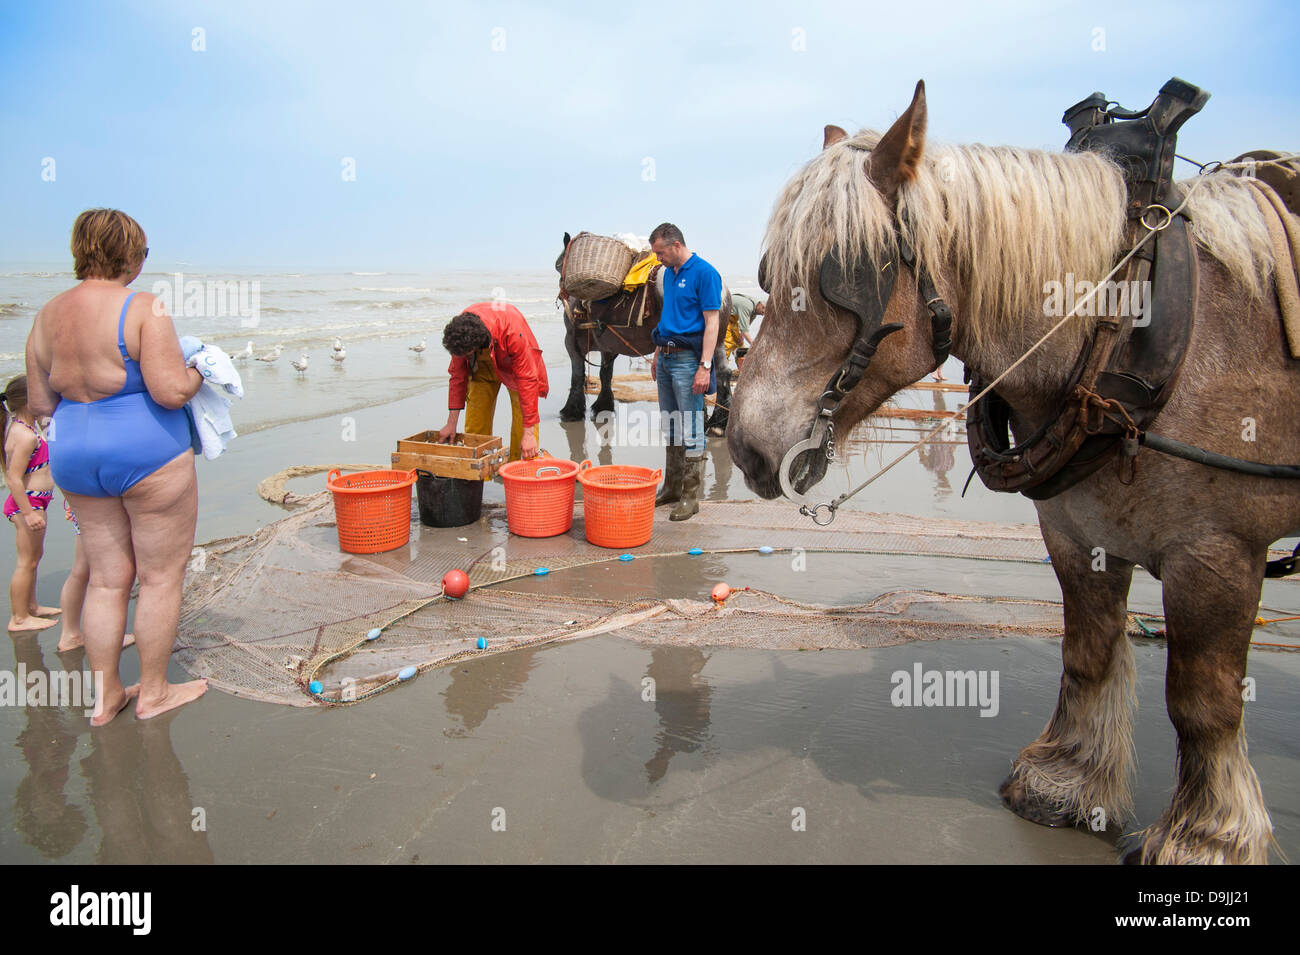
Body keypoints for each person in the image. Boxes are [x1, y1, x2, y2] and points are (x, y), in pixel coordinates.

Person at [25, 208, 208, 725]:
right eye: (143, 254)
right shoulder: (145, 307)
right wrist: (199, 371)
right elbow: (170, 392)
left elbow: (40, 406)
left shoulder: (45, 316)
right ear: (130, 255)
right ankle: (153, 692)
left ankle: (105, 696)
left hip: (74, 457)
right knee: (158, 577)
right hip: (146, 454)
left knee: (106, 580)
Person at [648, 223, 721, 521]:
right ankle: (672, 488)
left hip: (689, 362)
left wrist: (705, 366)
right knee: (672, 425)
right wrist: (656, 354)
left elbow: (712, 323)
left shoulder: (705, 273)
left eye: (660, 252)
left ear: (676, 245)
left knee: (691, 427)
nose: (658, 259)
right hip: (665, 359)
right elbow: (668, 316)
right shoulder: (668, 274)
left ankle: (691, 497)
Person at [439, 303, 549, 462]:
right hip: (482, 364)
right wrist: (451, 423)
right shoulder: (461, 333)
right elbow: (457, 377)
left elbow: (527, 380)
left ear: (474, 347)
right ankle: (479, 473)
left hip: (513, 362)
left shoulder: (513, 331)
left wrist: (529, 435)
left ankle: (520, 468)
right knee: (475, 425)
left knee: (523, 426)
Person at [2, 376, 61, 632]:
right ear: (29, 400)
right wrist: (28, 512)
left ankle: (32, 607)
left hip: (36, 501)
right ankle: (18, 618)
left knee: (34, 559)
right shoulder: (24, 435)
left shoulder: (26, 427)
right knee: (26, 561)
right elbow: (13, 478)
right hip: (27, 502)